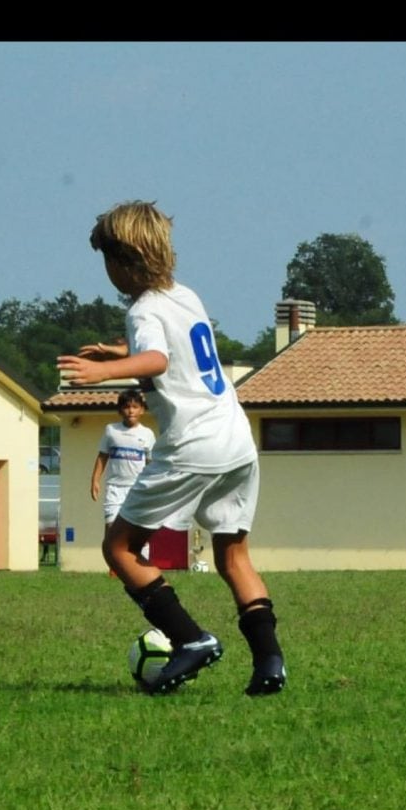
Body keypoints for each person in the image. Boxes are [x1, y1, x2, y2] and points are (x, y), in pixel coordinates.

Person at [57, 199, 286, 697]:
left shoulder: (141, 309)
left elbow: (158, 360)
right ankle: (270, 663)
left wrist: (104, 372)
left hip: (193, 444)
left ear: (122, 261)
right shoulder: (184, 296)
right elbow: (178, 350)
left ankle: (190, 639)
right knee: (234, 556)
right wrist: (121, 352)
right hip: (236, 439)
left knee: (118, 548)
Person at [89, 389, 155, 558]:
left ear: (142, 410)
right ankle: (114, 564)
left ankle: (141, 563)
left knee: (140, 529)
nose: (131, 411)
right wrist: (95, 481)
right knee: (112, 527)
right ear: (120, 410)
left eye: (135, 407)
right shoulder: (111, 430)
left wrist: (152, 486)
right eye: (126, 407)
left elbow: (151, 464)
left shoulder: (147, 434)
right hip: (115, 488)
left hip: (137, 488)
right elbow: (102, 456)